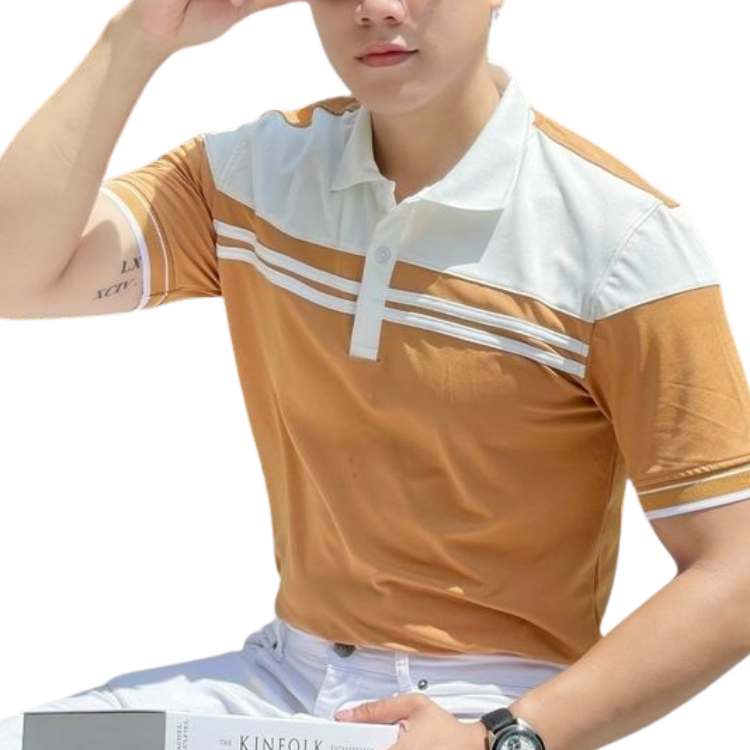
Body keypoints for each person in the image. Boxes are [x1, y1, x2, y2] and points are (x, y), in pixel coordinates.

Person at [2, 1, 750, 750]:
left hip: (492, 704)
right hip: (283, 676)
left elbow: (737, 569)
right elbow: (15, 276)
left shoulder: (625, 242)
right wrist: (137, 39)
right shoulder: (250, 176)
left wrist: (503, 739)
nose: (377, 7)